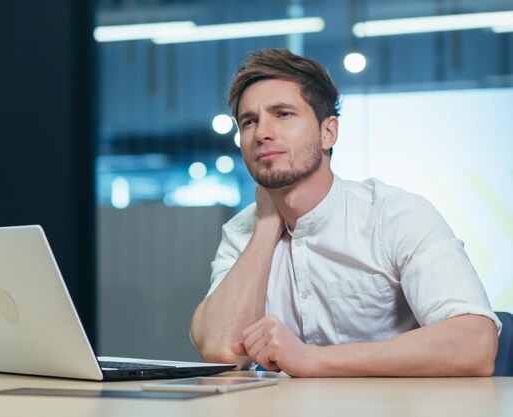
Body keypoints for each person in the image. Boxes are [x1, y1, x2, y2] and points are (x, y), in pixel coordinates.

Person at [190, 48, 501, 377]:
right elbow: (220, 349)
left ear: (328, 133)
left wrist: (312, 359)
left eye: (282, 114)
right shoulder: (242, 231)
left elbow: (475, 344)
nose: (263, 133)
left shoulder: (393, 215)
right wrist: (268, 223)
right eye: (249, 121)